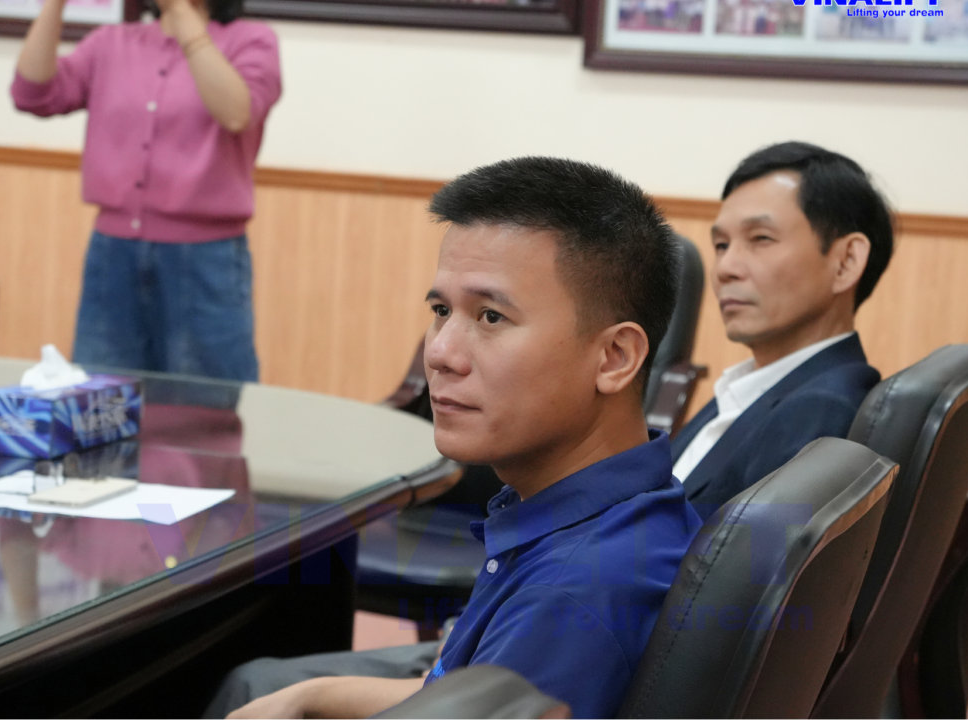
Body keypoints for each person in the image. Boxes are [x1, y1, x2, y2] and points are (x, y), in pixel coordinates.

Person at [208, 157, 702, 719]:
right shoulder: (614, 512)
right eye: (441, 310)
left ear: (614, 357)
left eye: (491, 317)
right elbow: (448, 691)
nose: (440, 352)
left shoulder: (571, 596)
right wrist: (311, 694)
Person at [12, 0, 281, 381]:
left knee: (207, 408)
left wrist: (178, 9)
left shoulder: (251, 41)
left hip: (207, 260)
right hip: (112, 253)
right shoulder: (111, 42)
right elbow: (31, 94)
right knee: (103, 401)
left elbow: (236, 112)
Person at [672, 141, 895, 517]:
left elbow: (755, 555)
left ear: (846, 262)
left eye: (760, 239)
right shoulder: (753, 389)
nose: (725, 268)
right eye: (721, 245)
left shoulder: (820, 411)